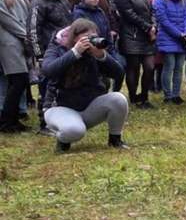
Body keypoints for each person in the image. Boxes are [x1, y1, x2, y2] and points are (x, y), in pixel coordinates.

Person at [41, 19, 129, 152]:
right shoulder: (58, 47)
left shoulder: (93, 52)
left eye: (93, 37)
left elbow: (119, 73)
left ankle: (115, 139)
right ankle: (63, 139)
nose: (90, 41)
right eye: (86, 38)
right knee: (75, 131)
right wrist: (74, 53)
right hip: (59, 107)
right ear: (74, 37)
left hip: (88, 107)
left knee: (118, 99)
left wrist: (102, 56)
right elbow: (48, 71)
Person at [29, 0, 73, 133]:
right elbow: (33, 31)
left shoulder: (63, 2)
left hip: (64, 51)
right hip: (47, 52)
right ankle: (44, 122)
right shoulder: (38, 3)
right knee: (46, 86)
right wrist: (39, 56)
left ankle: (61, 118)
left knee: (61, 86)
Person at [110, 0, 157, 109]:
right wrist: (148, 27)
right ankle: (133, 98)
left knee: (150, 67)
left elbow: (151, 11)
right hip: (130, 35)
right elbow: (129, 15)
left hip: (147, 35)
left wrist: (154, 26)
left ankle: (144, 97)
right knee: (133, 68)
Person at [72, 0, 125, 92]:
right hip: (91, 50)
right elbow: (81, 33)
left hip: (106, 47)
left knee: (121, 67)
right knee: (102, 79)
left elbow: (106, 29)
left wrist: (110, 47)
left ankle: (115, 93)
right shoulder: (78, 13)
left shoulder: (100, 11)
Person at [0, 0, 31, 132]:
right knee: (18, 80)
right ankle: (6, 121)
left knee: (19, 81)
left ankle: (11, 119)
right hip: (8, 42)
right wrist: (24, 34)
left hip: (19, 40)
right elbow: (5, 18)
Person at [152, 0, 186, 105]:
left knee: (179, 67)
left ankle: (176, 94)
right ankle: (167, 95)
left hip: (183, 38)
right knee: (169, 66)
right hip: (168, 37)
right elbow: (163, 20)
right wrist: (178, 34)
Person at [142, 0, 164, 92]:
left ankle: (159, 85)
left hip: (162, 33)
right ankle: (151, 85)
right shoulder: (145, 0)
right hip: (150, 33)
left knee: (161, 61)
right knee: (152, 63)